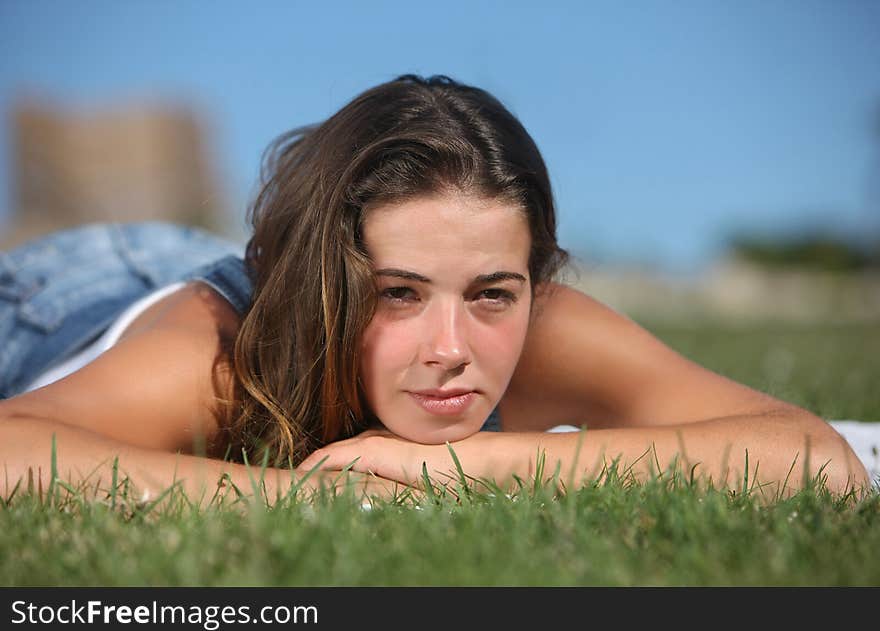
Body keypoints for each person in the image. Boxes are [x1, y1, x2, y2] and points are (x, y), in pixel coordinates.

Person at [0, 74, 872, 507]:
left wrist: (470, 463)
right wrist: (309, 496)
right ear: (327, 287)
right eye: (399, 293)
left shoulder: (536, 323)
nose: (453, 348)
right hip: (81, 287)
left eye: (493, 292)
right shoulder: (221, 351)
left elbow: (817, 459)